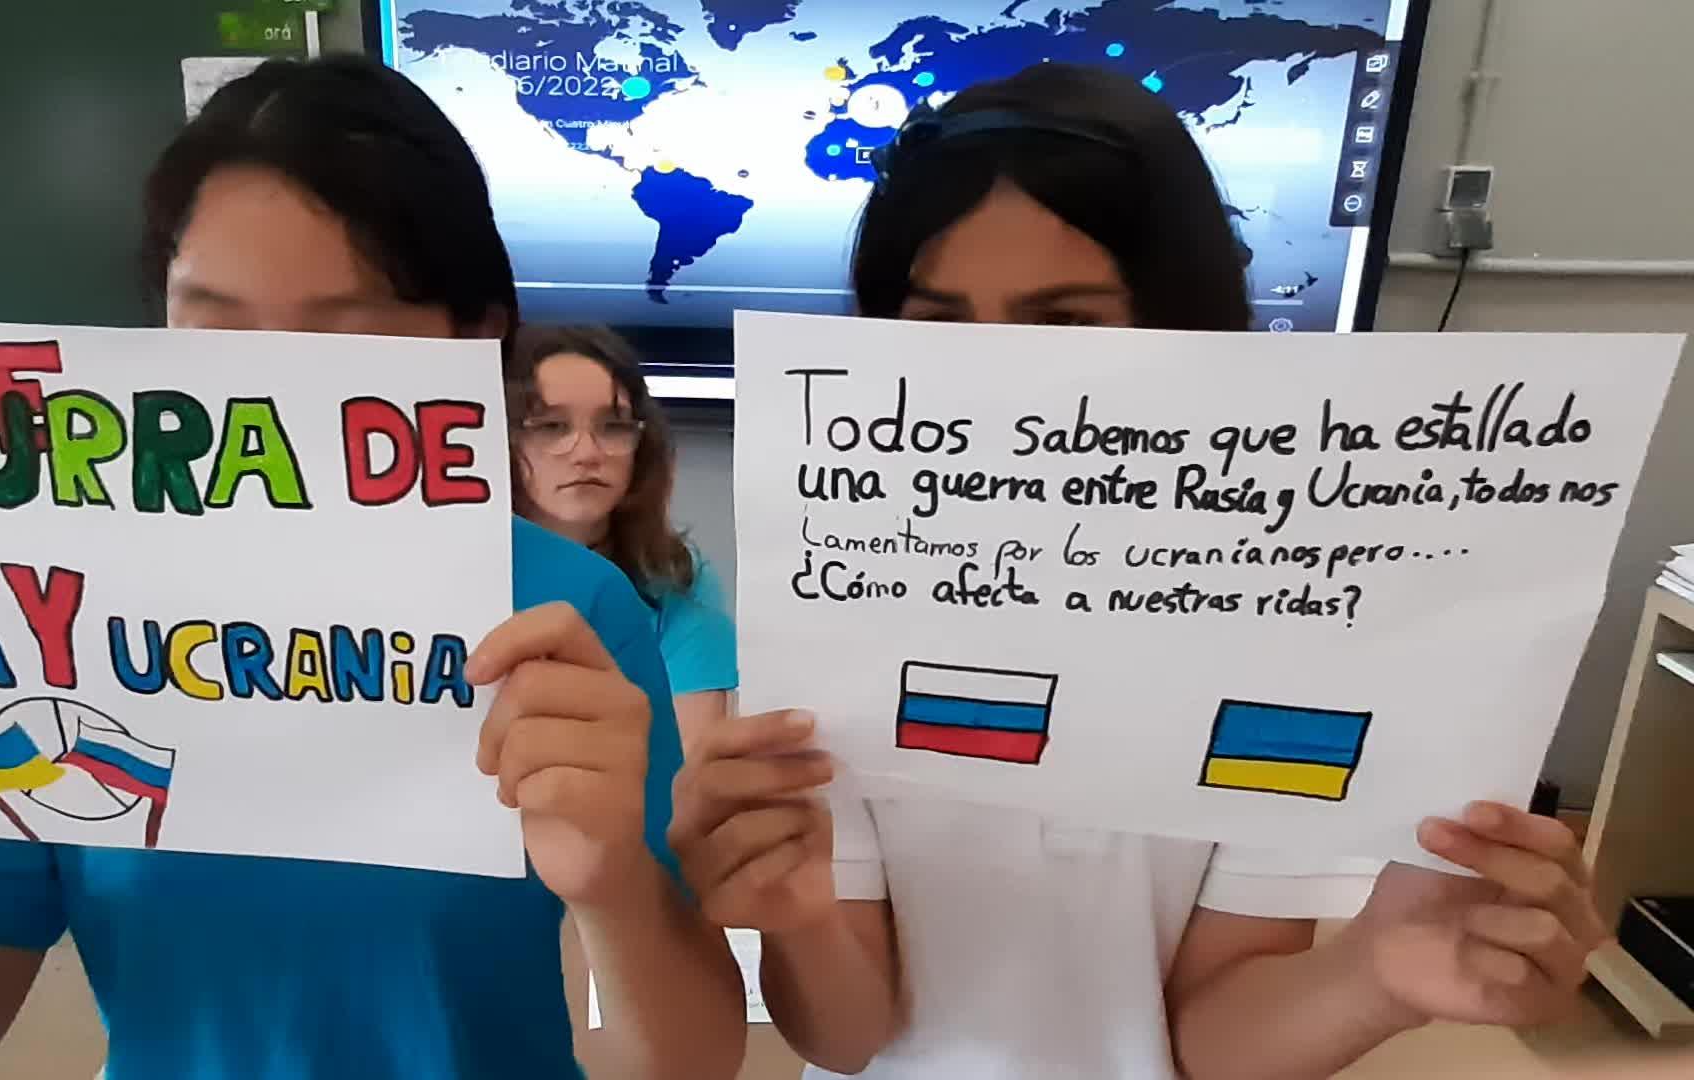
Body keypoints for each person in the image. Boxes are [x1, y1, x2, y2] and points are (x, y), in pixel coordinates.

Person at [0, 56, 744, 1080]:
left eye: (346, 336)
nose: (265, 392)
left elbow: (688, 1061)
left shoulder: (566, 615)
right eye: (212, 324)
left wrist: (615, 890)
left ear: (475, 339)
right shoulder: (68, 610)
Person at [667, 63, 1606, 1079]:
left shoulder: (1283, 633)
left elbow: (1208, 1037)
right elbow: (848, 1037)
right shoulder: (839, 616)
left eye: (1066, 322)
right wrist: (799, 919)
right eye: (938, 325)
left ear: (1183, 327)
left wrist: (1378, 976)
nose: (1001, 383)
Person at [504, 324, 737, 747]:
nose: (587, 453)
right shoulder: (451, 568)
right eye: (551, 427)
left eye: (613, 427)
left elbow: (687, 770)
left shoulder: (677, 576)